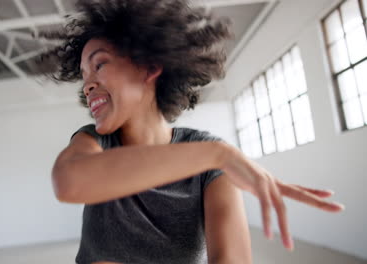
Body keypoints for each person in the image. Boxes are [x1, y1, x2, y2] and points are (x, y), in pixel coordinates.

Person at [37, 0, 344, 263]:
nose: (87, 84)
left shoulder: (210, 166)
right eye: (84, 75)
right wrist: (218, 154)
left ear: (148, 67)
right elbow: (69, 182)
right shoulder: (94, 141)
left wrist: (216, 157)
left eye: (99, 64)